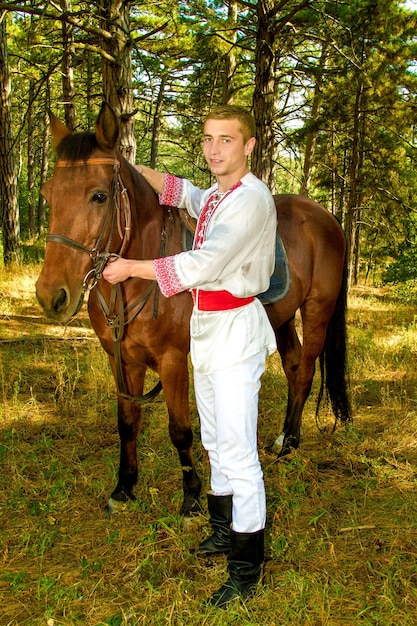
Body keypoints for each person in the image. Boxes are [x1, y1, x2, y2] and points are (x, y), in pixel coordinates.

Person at [102, 105, 277, 608]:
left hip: (234, 330)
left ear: (249, 146)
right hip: (208, 328)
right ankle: (224, 532)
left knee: (239, 452)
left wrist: (131, 266)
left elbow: (205, 262)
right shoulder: (221, 196)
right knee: (218, 441)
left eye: (227, 139)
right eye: (208, 139)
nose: (215, 149)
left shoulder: (251, 201)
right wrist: (127, 166)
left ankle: (246, 568)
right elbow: (185, 192)